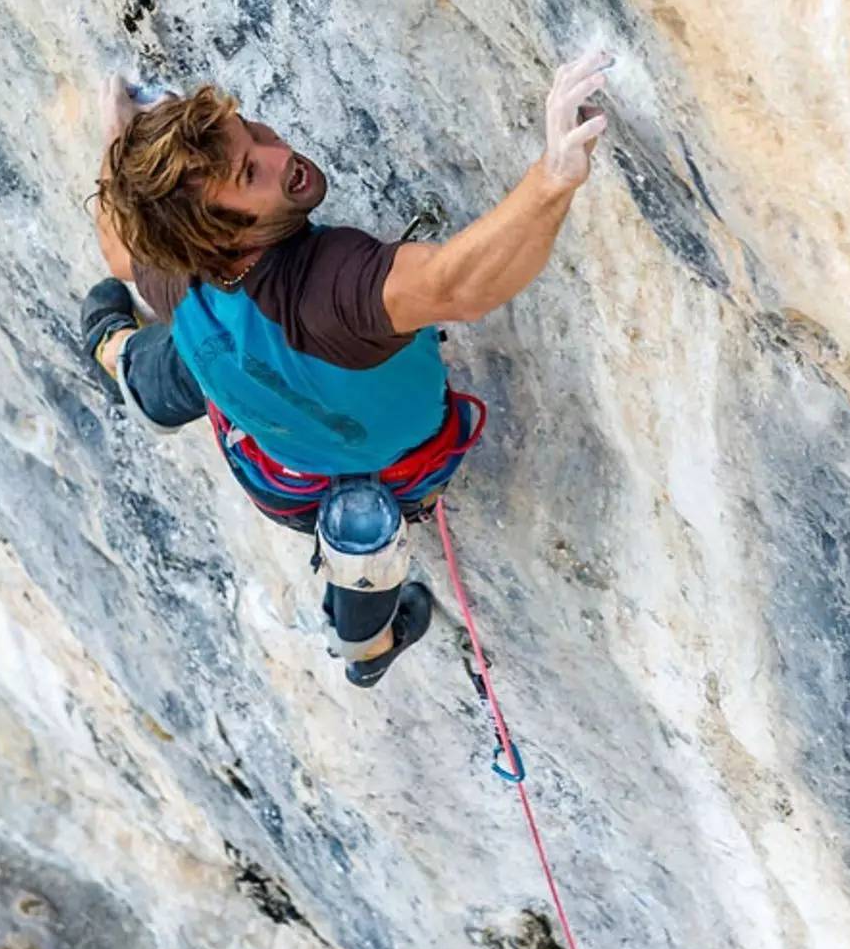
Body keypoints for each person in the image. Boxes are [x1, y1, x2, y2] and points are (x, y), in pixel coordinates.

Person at [83, 49, 610, 686]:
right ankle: (367, 646)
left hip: (273, 461)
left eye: (254, 133)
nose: (282, 155)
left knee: (196, 353)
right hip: (368, 468)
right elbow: (457, 285)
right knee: (364, 532)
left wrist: (119, 145)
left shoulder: (179, 266)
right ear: (222, 237)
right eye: (253, 172)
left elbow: (119, 252)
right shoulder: (331, 291)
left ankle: (119, 360)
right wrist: (554, 175)